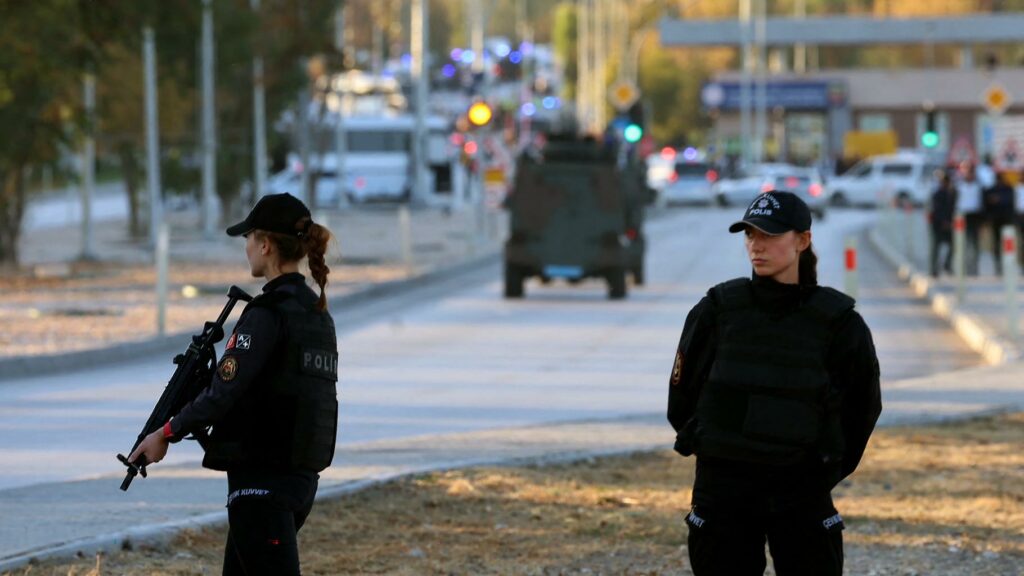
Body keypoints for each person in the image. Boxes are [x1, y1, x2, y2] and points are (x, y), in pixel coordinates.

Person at [667, 191, 881, 575]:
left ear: (802, 240)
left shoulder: (839, 323)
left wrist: (822, 471)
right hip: (725, 488)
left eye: (769, 235)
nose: (756, 245)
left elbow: (862, 409)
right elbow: (681, 398)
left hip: (800, 488)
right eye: (750, 235)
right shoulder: (717, 310)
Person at [129, 193, 339, 576]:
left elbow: (222, 392)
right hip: (298, 480)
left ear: (265, 244)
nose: (245, 249)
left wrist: (167, 432)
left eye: (248, 239)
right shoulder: (316, 313)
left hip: (262, 484)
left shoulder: (266, 315)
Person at [984, 171, 1016, 275]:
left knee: (1008, 243)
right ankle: (999, 264)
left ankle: (1009, 265)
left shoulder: (1008, 189)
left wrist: (999, 199)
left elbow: (1010, 201)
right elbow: (987, 204)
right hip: (995, 220)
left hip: (1007, 220)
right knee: (996, 243)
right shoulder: (991, 190)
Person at [955, 162, 984, 275]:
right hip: (962, 216)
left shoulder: (978, 186)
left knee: (974, 245)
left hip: (975, 216)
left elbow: (982, 204)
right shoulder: (959, 186)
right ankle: (964, 268)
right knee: (962, 243)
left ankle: (974, 268)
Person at [929, 171, 957, 278]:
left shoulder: (951, 194)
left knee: (953, 246)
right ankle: (934, 269)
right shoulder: (937, 194)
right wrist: (944, 222)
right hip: (938, 225)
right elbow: (936, 210)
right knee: (936, 248)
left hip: (949, 224)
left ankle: (947, 264)